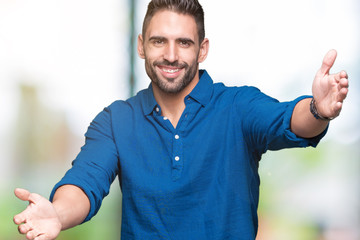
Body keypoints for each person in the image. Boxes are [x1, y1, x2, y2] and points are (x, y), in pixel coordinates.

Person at [13, 0, 349, 239]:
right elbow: (85, 182)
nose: (171, 56)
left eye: (183, 43)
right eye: (160, 41)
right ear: (142, 45)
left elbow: (289, 120)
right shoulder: (116, 120)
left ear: (202, 50)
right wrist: (56, 213)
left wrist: (318, 109)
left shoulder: (237, 106)